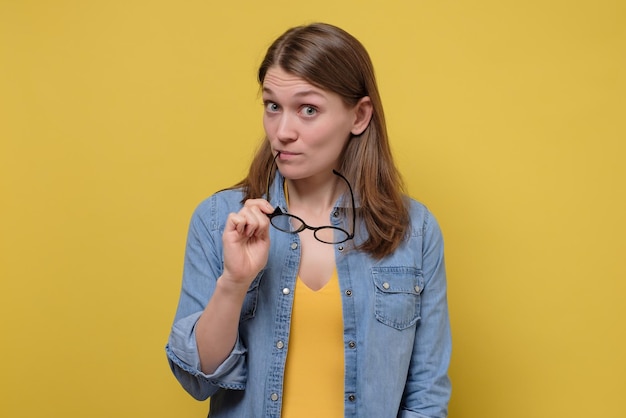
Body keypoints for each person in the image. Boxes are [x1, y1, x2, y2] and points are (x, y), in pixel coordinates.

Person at [166, 22, 452, 418]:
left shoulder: (413, 230)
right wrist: (234, 283)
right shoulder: (220, 220)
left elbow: (426, 395)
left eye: (308, 109)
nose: (282, 132)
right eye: (272, 106)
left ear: (359, 116)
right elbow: (197, 379)